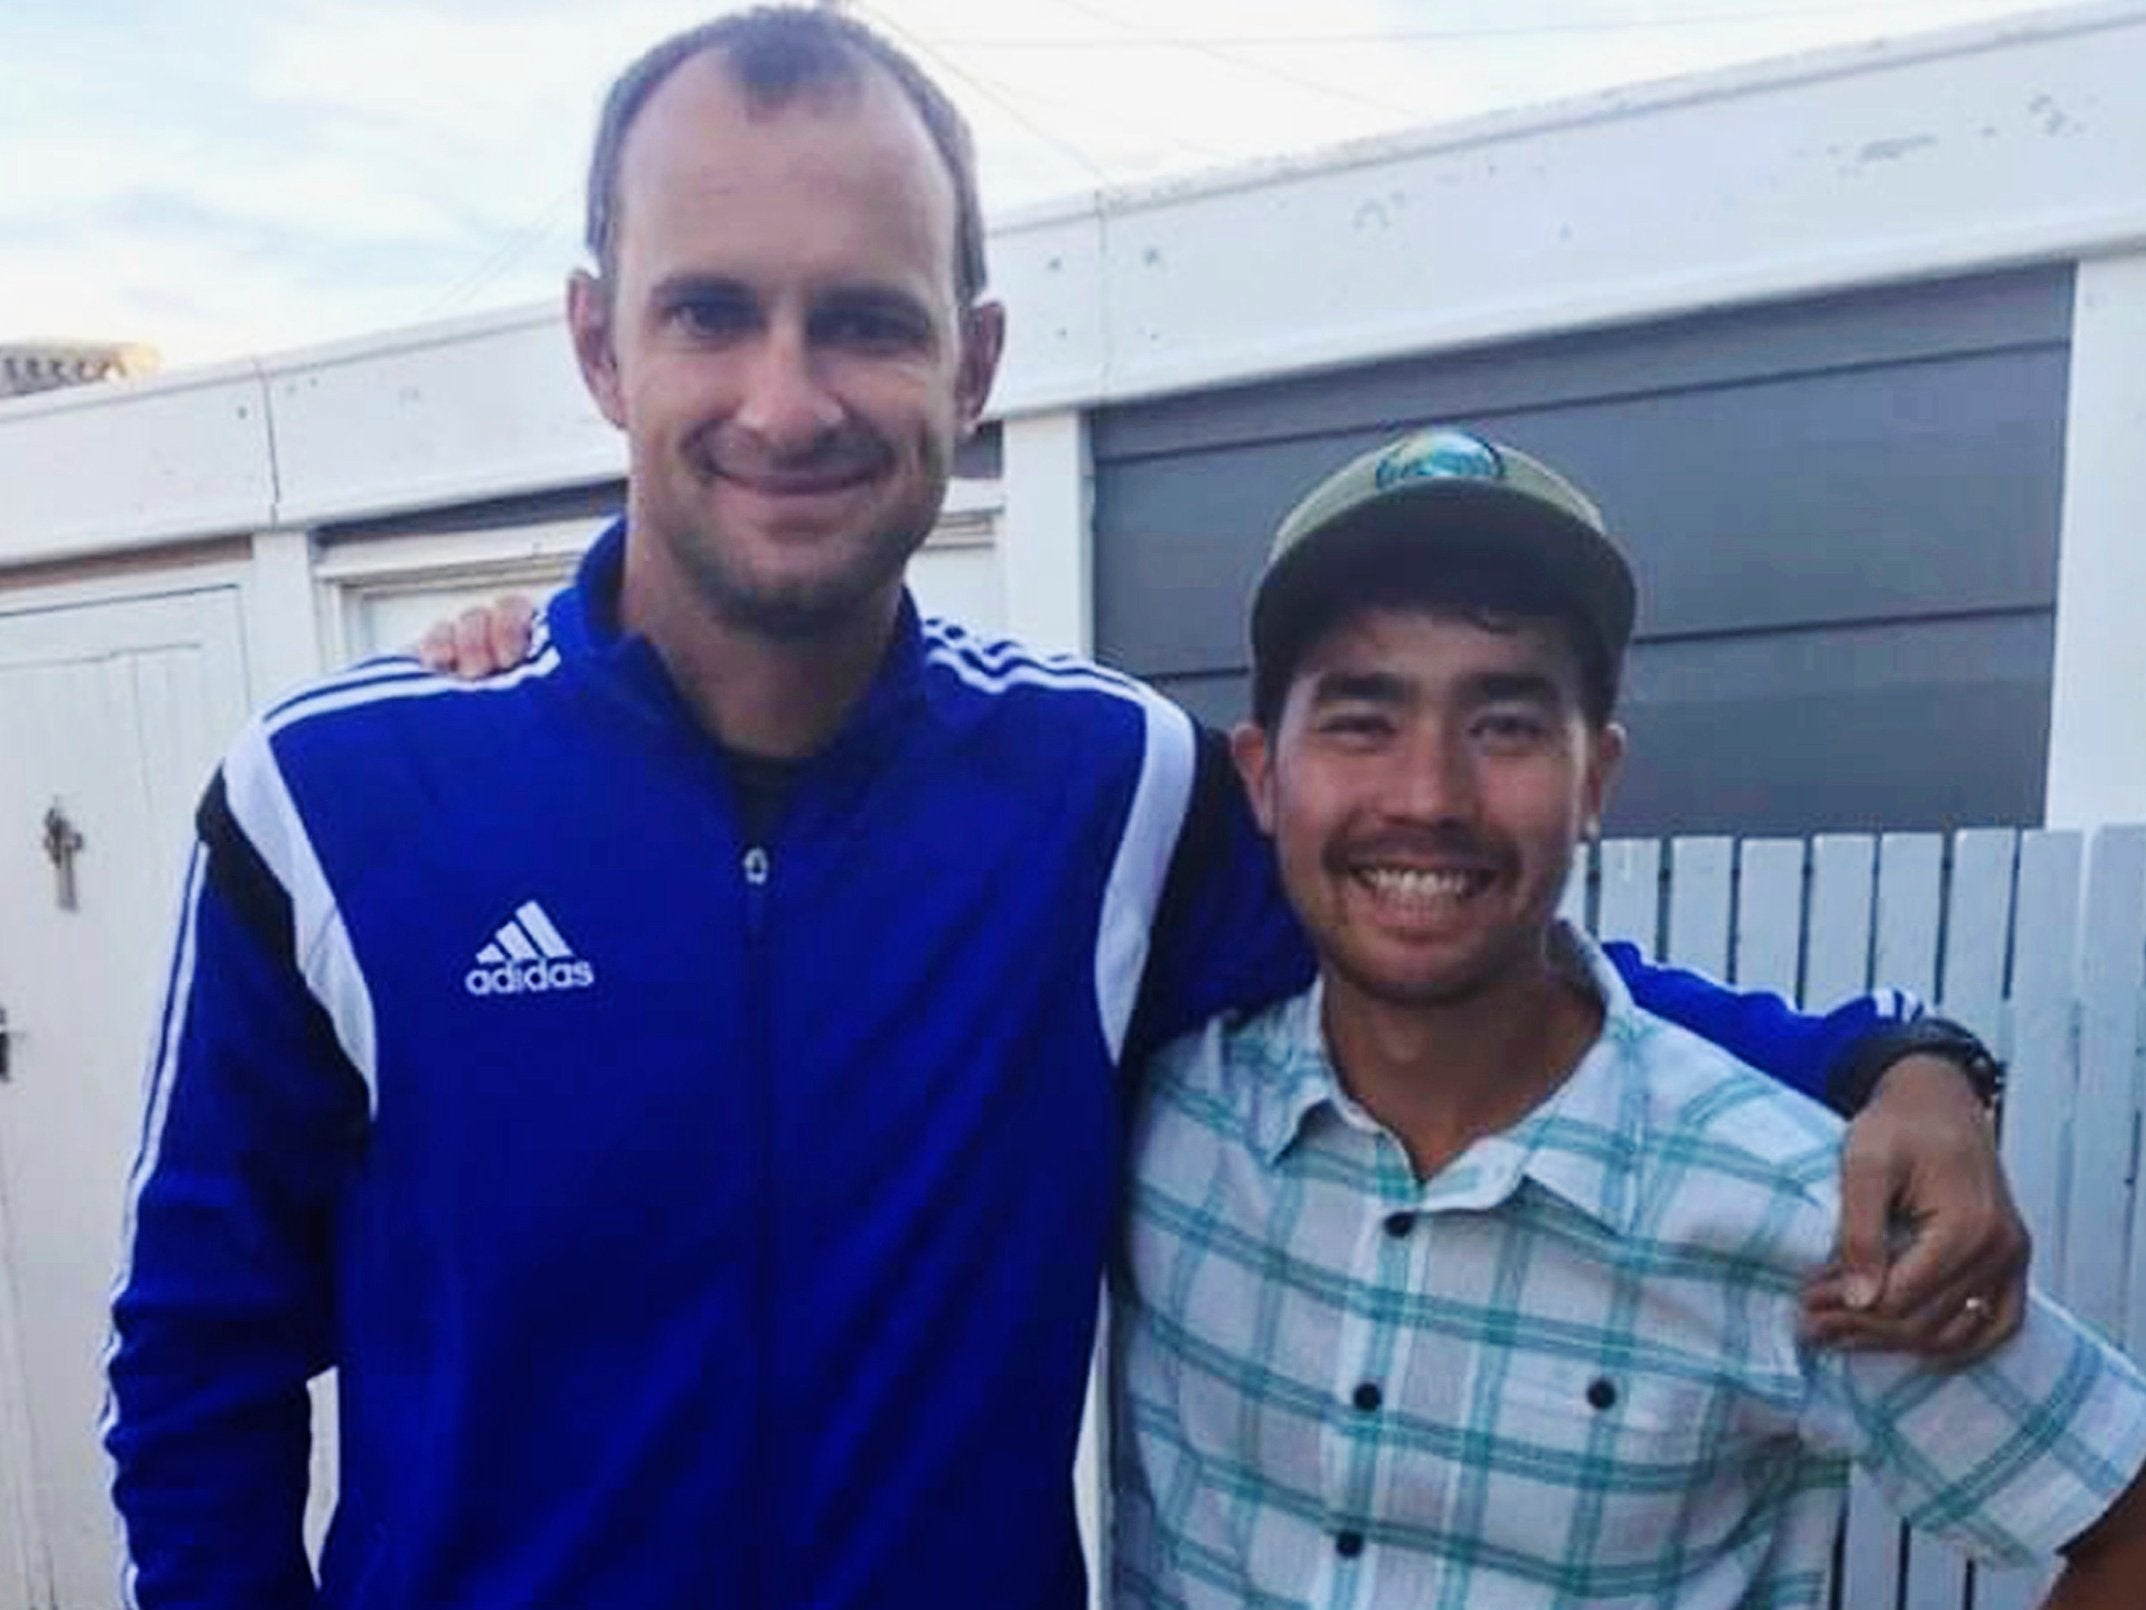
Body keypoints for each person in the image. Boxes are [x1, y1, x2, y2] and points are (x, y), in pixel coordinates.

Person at [106, 10, 2020, 1608]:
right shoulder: (338, 802)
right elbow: (201, 1365)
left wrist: (1895, 1059)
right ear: (604, 343)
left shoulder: (1101, 794)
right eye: (713, 313)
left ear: (977, 358)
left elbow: (1460, 939)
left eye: (864, 318)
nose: (788, 400)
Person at [1111, 425, 2146, 1607]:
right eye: (1361, 718)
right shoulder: (1162, 1113)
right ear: (1259, 773)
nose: (1427, 795)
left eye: (1503, 724)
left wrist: (1913, 1060)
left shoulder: (1800, 1209)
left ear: (1595, 779)